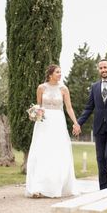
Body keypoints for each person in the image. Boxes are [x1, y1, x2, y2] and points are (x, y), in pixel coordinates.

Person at [73, 59, 107, 190]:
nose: (103, 70)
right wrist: (78, 123)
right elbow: (88, 108)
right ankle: (103, 190)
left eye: (105, 67)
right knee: (100, 159)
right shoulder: (94, 87)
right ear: (98, 70)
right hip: (99, 127)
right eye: (101, 68)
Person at [25, 64, 79, 198]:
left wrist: (76, 123)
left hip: (58, 123)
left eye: (60, 72)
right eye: (57, 72)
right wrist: (34, 113)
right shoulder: (41, 88)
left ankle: (55, 186)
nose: (60, 74)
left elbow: (69, 108)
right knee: (41, 152)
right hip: (44, 123)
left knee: (57, 153)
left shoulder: (64, 89)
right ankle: (37, 187)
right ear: (50, 74)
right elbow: (39, 106)